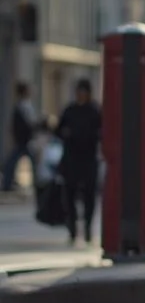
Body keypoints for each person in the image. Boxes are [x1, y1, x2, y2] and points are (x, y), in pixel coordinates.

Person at [55, 79, 102, 244]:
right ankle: (72, 229)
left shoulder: (94, 111)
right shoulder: (70, 110)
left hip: (88, 159)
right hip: (71, 159)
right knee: (69, 197)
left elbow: (101, 132)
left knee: (89, 197)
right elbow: (58, 130)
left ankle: (88, 228)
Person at [2, 82, 43, 192]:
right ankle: (8, 184)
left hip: (25, 140)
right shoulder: (23, 106)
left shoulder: (24, 105)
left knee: (16, 162)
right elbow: (29, 123)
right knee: (14, 163)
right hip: (24, 140)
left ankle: (38, 185)